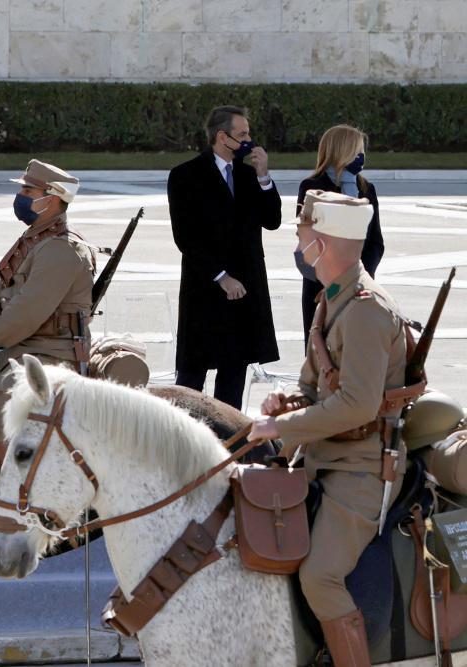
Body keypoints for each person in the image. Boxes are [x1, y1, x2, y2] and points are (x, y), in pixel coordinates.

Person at [250, 190, 411, 666]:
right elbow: (313, 386)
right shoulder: (332, 300)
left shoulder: (365, 310)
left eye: (302, 235)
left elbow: (358, 406)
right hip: (324, 457)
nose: (298, 245)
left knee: (320, 576)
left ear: (321, 243)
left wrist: (280, 428)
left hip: (362, 468)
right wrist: (286, 405)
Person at [0, 159, 94, 465]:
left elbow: (25, 313)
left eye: (28, 191)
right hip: (19, 346)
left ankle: (20, 489)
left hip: (50, 353)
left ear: (52, 198)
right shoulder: (35, 240)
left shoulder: (61, 250)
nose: (21, 197)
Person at [167, 105, 282, 410]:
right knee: (191, 379)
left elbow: (272, 220)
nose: (249, 141)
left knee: (233, 377)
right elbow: (186, 238)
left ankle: (228, 437)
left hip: (243, 290)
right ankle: (181, 435)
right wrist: (221, 276)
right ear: (222, 137)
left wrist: (264, 176)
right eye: (242, 134)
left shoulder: (248, 175)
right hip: (205, 289)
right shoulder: (185, 175)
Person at [296, 124, 384, 345]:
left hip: (358, 285)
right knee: (321, 351)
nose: (361, 156)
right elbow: (308, 242)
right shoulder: (312, 187)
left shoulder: (366, 189)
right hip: (322, 286)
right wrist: (333, 284)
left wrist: (358, 278)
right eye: (357, 151)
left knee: (355, 349)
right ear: (341, 151)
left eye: (362, 151)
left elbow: (375, 242)